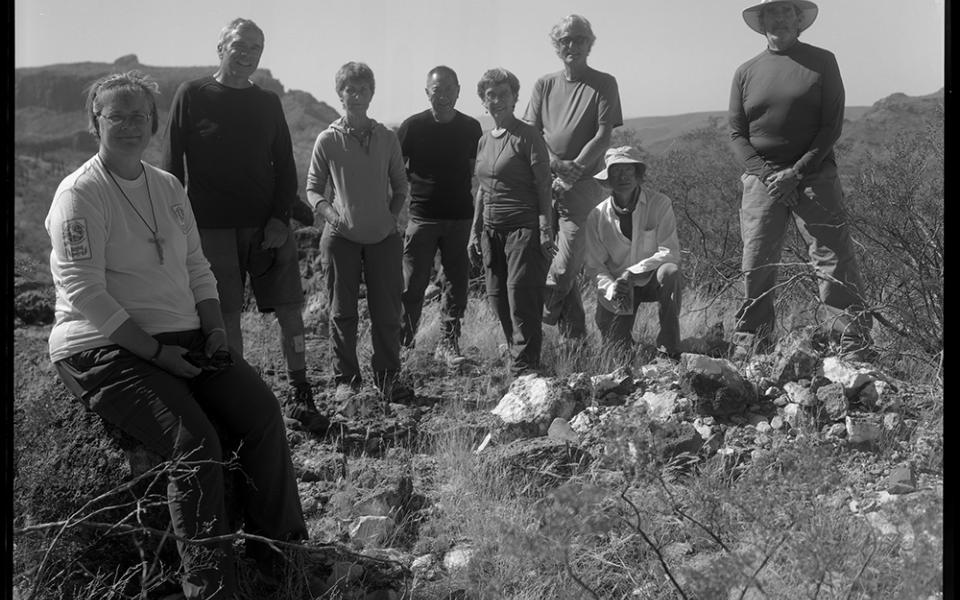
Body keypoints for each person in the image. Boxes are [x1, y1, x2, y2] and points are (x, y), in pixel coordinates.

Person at [46, 71, 307, 599]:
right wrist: (158, 354)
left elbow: (198, 269)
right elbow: (86, 293)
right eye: (115, 115)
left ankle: (279, 556)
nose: (129, 125)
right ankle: (209, 588)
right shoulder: (80, 193)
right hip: (103, 346)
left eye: (139, 115)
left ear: (154, 124)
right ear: (94, 121)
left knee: (261, 415)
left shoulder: (167, 188)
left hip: (186, 337)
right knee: (195, 445)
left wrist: (214, 331)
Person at [162, 18, 325, 432]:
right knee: (226, 314)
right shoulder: (192, 94)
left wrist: (279, 219)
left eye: (257, 46)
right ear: (221, 47)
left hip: (266, 227)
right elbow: (170, 165)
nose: (249, 52)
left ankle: (300, 389)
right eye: (241, 44)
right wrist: (176, 224)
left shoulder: (267, 102)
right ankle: (239, 398)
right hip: (210, 228)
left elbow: (286, 165)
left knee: (289, 308)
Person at [729, 0, 873, 359]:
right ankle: (752, 341)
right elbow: (736, 134)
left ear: (798, 19)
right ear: (761, 22)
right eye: (771, 13)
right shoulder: (745, 71)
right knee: (756, 260)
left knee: (832, 257)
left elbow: (831, 126)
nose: (779, 19)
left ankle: (851, 343)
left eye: (786, 12)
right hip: (762, 180)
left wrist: (796, 172)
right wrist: (769, 176)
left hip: (815, 174)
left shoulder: (822, 61)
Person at [306, 62, 414, 403]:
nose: (356, 95)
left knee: (386, 311)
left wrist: (391, 218)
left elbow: (400, 185)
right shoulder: (328, 139)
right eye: (349, 89)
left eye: (362, 89)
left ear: (371, 93)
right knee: (342, 312)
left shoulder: (386, 137)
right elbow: (313, 189)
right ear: (340, 94)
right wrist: (330, 215)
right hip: (341, 239)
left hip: (383, 237)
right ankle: (346, 382)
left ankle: (387, 378)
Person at [524, 14, 623, 342]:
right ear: (557, 45)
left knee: (565, 268)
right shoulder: (544, 85)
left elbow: (603, 135)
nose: (573, 45)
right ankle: (574, 338)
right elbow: (532, 133)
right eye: (566, 40)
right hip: (542, 184)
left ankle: (525, 317)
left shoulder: (604, 83)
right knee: (544, 259)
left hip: (583, 187)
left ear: (589, 44)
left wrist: (574, 168)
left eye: (580, 39)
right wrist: (553, 164)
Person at [469, 68, 557, 376]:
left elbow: (544, 184)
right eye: (490, 95)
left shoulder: (528, 135)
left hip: (523, 227)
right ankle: (515, 352)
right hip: (491, 230)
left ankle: (526, 369)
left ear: (515, 97)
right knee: (497, 298)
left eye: (503, 94)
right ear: (483, 100)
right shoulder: (483, 141)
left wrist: (545, 229)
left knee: (520, 296)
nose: (497, 101)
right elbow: (482, 188)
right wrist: (474, 230)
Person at [397, 66, 483, 365]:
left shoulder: (471, 128)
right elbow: (396, 169)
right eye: (437, 90)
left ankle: (448, 343)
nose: (443, 95)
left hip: (460, 217)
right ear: (427, 92)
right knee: (412, 284)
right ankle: (404, 346)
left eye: (449, 89)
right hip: (422, 217)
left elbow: (477, 170)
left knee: (456, 284)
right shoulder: (412, 126)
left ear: (459, 90)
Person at [584, 146, 682, 360]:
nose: (623, 176)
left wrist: (632, 273)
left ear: (638, 174)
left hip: (651, 279)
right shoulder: (597, 216)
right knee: (616, 355)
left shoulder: (660, 203)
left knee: (670, 272)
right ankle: (633, 349)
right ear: (608, 178)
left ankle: (669, 349)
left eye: (628, 170)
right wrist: (612, 287)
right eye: (616, 171)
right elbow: (595, 266)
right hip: (619, 288)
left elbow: (670, 252)